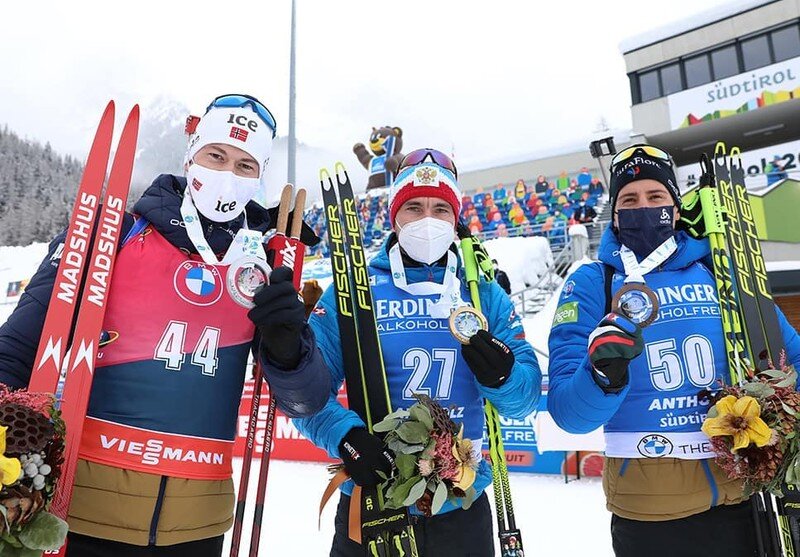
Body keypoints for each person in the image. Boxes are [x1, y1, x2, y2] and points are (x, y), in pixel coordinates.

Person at [0, 94, 331, 557]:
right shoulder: (116, 233)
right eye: (216, 156)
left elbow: (306, 401)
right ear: (190, 154)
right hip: (83, 512)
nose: (226, 175)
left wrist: (288, 347)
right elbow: (15, 352)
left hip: (197, 526)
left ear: (259, 177)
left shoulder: (264, 267)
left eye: (244, 165)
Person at [546, 144, 800, 557]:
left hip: (744, 499)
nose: (642, 207)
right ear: (614, 214)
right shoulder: (593, 282)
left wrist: (781, 411)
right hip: (650, 514)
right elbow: (567, 413)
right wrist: (603, 377)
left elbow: (793, 360)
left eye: (655, 196)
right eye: (628, 199)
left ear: (676, 209)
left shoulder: (720, 271)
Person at [296, 148, 542, 556]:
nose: (427, 220)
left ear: (455, 219)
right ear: (395, 216)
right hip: (373, 496)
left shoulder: (483, 292)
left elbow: (525, 398)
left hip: (462, 503)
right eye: (413, 207)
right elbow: (307, 391)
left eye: (440, 209)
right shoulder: (353, 290)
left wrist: (504, 376)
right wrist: (346, 438)